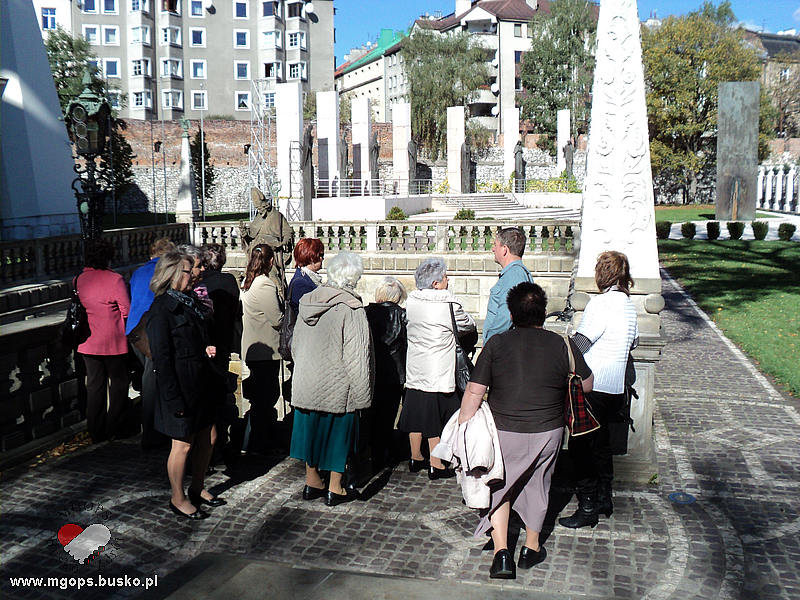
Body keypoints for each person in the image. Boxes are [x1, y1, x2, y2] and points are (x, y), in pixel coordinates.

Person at [459, 282, 594, 579]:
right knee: (538, 486)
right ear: (544, 313)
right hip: (549, 431)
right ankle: (531, 548)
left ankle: (501, 554)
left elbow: (474, 391)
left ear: (510, 313)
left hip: (505, 430)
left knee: (500, 487)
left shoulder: (496, 344)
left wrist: (462, 426)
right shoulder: (563, 344)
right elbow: (586, 384)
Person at [559, 251, 638, 529]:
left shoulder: (600, 303)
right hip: (616, 388)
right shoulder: (629, 305)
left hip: (594, 386)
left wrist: (563, 347)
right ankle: (605, 498)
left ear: (602, 274)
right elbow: (635, 342)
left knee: (583, 448)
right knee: (603, 446)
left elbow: (582, 344)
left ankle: (588, 506)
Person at [289, 251, 374, 507]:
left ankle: (312, 482)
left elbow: (295, 345)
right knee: (339, 437)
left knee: (310, 432)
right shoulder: (352, 308)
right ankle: (335, 488)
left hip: (306, 382)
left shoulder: (308, 301)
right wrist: (363, 396)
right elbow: (357, 356)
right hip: (338, 386)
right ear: (353, 278)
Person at [147, 250, 224, 520]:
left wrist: (205, 348)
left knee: (208, 437)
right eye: (189, 272)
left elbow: (194, 339)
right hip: (179, 388)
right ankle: (177, 498)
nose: (195, 275)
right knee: (183, 445)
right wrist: (173, 399)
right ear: (173, 274)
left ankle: (198, 488)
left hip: (200, 382)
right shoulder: (161, 310)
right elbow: (163, 359)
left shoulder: (189, 302)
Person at [399, 257, 476, 480]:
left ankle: (415, 457)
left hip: (416, 366)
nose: (448, 279)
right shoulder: (448, 304)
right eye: (444, 277)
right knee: (436, 418)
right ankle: (436, 463)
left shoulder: (411, 301)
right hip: (439, 369)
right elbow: (467, 324)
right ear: (435, 283)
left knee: (415, 412)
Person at [76, 240, 132, 443]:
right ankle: (115, 427)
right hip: (113, 342)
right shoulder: (114, 279)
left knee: (94, 386)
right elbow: (126, 310)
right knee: (118, 384)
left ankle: (95, 429)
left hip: (87, 342)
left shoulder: (79, 279)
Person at [127, 237, 175, 450]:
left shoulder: (138, 272)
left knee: (150, 378)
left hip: (133, 332)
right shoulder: (166, 272)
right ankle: (152, 432)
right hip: (151, 331)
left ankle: (154, 428)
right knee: (153, 381)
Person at [240, 244, 283, 453]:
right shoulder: (264, 284)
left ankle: (256, 440)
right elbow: (276, 319)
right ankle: (259, 441)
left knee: (259, 397)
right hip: (266, 350)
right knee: (266, 397)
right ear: (271, 262)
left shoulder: (248, 282)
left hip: (253, 348)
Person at [201, 243, 241, 463]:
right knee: (220, 395)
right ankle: (219, 443)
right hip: (222, 343)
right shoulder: (228, 282)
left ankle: (211, 445)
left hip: (205, 344)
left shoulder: (200, 283)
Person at [364, 276, 408, 471]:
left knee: (369, 413)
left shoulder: (366, 312)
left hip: (371, 369)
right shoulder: (402, 315)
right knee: (388, 415)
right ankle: (382, 454)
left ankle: (370, 452)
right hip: (393, 372)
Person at [483, 227, 533, 343]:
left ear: (504, 249)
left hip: (505, 348)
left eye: (495, 245)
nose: (493, 249)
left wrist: (490, 344)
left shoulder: (514, 275)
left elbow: (506, 316)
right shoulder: (516, 273)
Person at [288, 238, 325, 313]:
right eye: (321, 255)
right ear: (312, 258)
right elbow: (307, 313)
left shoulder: (307, 277)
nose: (323, 259)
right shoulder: (301, 283)